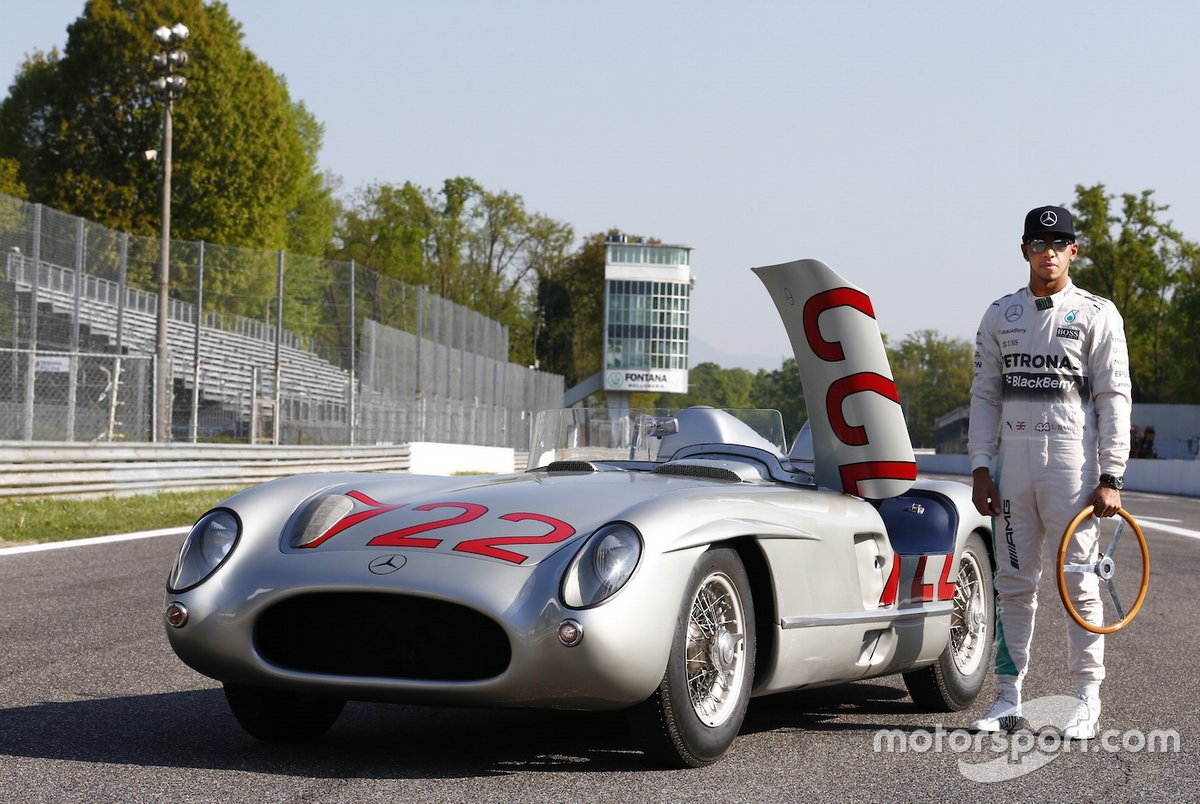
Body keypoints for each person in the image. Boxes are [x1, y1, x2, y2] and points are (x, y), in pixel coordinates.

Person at [967, 205, 1131, 739]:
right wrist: (979, 467)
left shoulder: (1097, 312)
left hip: (1072, 468)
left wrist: (1112, 476)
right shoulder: (999, 314)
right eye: (1039, 244)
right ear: (1025, 251)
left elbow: (1114, 396)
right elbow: (985, 395)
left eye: (1059, 243)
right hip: (1012, 469)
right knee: (1012, 584)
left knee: (1079, 582)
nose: (1049, 252)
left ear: (1073, 251)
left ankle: (1087, 698)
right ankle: (1007, 697)